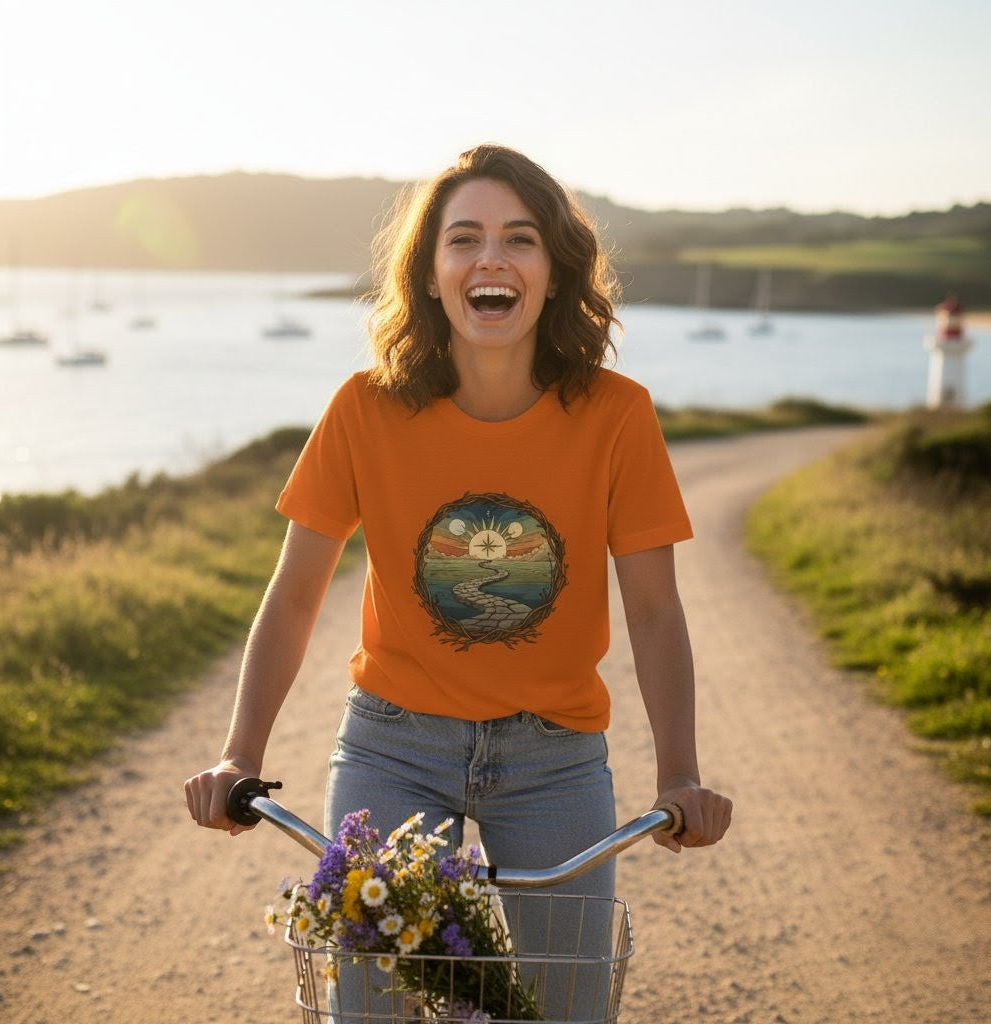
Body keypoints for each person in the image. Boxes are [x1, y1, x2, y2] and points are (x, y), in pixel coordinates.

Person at [185, 144, 732, 1017]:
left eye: (520, 239)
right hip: (392, 748)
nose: (491, 260)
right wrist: (239, 753)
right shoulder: (365, 408)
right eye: (464, 239)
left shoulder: (617, 416)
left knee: (564, 1009)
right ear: (432, 275)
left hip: (555, 757)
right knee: (368, 1006)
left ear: (552, 274)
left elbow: (656, 610)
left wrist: (679, 776)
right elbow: (293, 595)